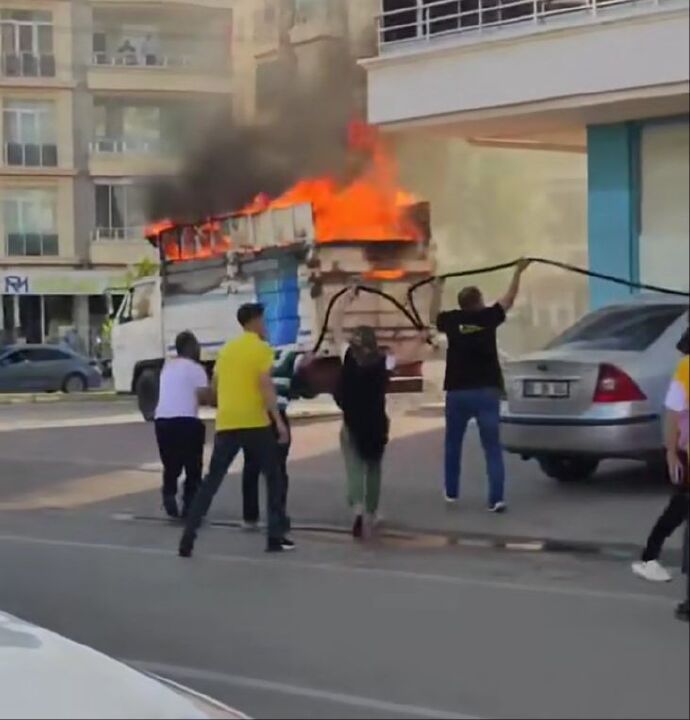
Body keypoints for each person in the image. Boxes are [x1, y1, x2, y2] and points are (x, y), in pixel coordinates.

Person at [179, 303, 291, 557]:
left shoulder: (226, 350)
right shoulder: (261, 349)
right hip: (255, 423)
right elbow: (265, 386)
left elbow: (214, 389)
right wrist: (279, 422)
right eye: (263, 320)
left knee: (211, 482)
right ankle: (274, 537)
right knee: (273, 477)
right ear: (254, 322)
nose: (265, 325)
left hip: (227, 423)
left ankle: (188, 538)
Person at [432, 258, 531, 512]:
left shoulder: (453, 321)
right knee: (492, 448)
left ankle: (452, 492)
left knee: (453, 444)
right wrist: (518, 272)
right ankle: (496, 499)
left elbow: (433, 316)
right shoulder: (489, 317)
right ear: (478, 301)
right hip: (486, 391)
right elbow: (509, 298)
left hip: (457, 392)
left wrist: (437, 287)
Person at [333, 288, 428, 539]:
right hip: (376, 423)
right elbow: (407, 355)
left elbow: (336, 328)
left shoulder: (348, 357)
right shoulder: (382, 362)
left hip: (351, 422)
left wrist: (345, 300)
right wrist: (420, 336)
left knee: (353, 467)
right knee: (373, 467)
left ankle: (357, 507)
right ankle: (372, 513)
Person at [632, 328, 689, 584]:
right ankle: (649, 558)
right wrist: (671, 452)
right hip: (687, 454)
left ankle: (649, 557)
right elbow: (673, 413)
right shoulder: (686, 369)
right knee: (678, 509)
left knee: (677, 510)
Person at [241, 350, 313, 532]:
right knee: (278, 469)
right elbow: (305, 371)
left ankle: (250, 517)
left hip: (253, 414)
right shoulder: (292, 353)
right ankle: (277, 516)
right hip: (276, 413)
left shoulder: (252, 350)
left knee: (251, 466)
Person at [154, 331, 209, 519]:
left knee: (171, 464)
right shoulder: (196, 369)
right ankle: (190, 504)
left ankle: (168, 492)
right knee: (193, 465)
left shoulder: (167, 367)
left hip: (162, 421)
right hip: (186, 422)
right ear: (191, 348)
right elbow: (205, 397)